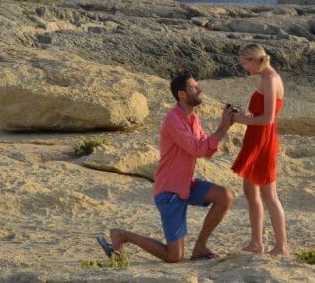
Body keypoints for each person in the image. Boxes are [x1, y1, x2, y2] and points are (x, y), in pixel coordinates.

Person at [96, 73, 237, 263]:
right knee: (174, 256)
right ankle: (122, 235)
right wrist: (222, 127)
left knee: (224, 195)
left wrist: (223, 128)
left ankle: (200, 247)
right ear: (182, 95)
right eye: (194, 87)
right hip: (169, 191)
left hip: (187, 185)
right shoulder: (173, 120)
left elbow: (205, 150)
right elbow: (197, 149)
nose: (199, 89)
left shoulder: (193, 118)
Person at [230, 44, 289, 257]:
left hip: (263, 138)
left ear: (255, 60)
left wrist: (241, 119)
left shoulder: (270, 79)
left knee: (269, 193)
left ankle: (281, 246)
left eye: (245, 62)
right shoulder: (266, 78)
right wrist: (244, 116)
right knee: (251, 190)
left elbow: (268, 118)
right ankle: (257, 242)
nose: (244, 67)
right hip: (256, 137)